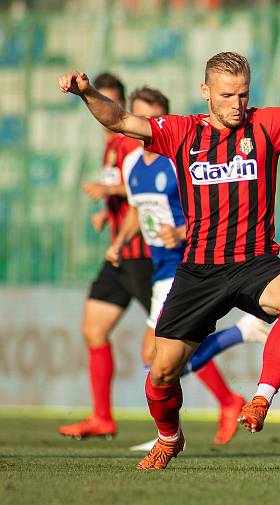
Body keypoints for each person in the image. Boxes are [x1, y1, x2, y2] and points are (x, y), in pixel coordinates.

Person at [58, 51, 280, 469]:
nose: (238, 104)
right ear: (205, 93)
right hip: (199, 269)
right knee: (160, 376)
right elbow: (121, 121)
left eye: (244, 94)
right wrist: (87, 92)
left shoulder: (266, 124)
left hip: (255, 262)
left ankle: (261, 397)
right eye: (227, 95)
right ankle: (169, 438)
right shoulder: (180, 132)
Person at [108, 86, 272, 448]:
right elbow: (139, 208)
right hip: (159, 267)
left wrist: (181, 230)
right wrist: (119, 242)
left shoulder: (175, 156)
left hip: (186, 264)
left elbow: (209, 204)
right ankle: (240, 343)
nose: (143, 123)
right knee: (156, 357)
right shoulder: (134, 163)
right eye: (138, 114)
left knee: (157, 359)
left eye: (151, 116)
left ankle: (169, 434)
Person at [59, 73, 153, 440]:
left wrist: (108, 189)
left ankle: (227, 401)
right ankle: (102, 417)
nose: (101, 106)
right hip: (119, 255)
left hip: (142, 253)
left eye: (108, 100)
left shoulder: (130, 143)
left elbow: (143, 186)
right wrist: (105, 211)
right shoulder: (109, 145)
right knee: (93, 328)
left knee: (173, 337)